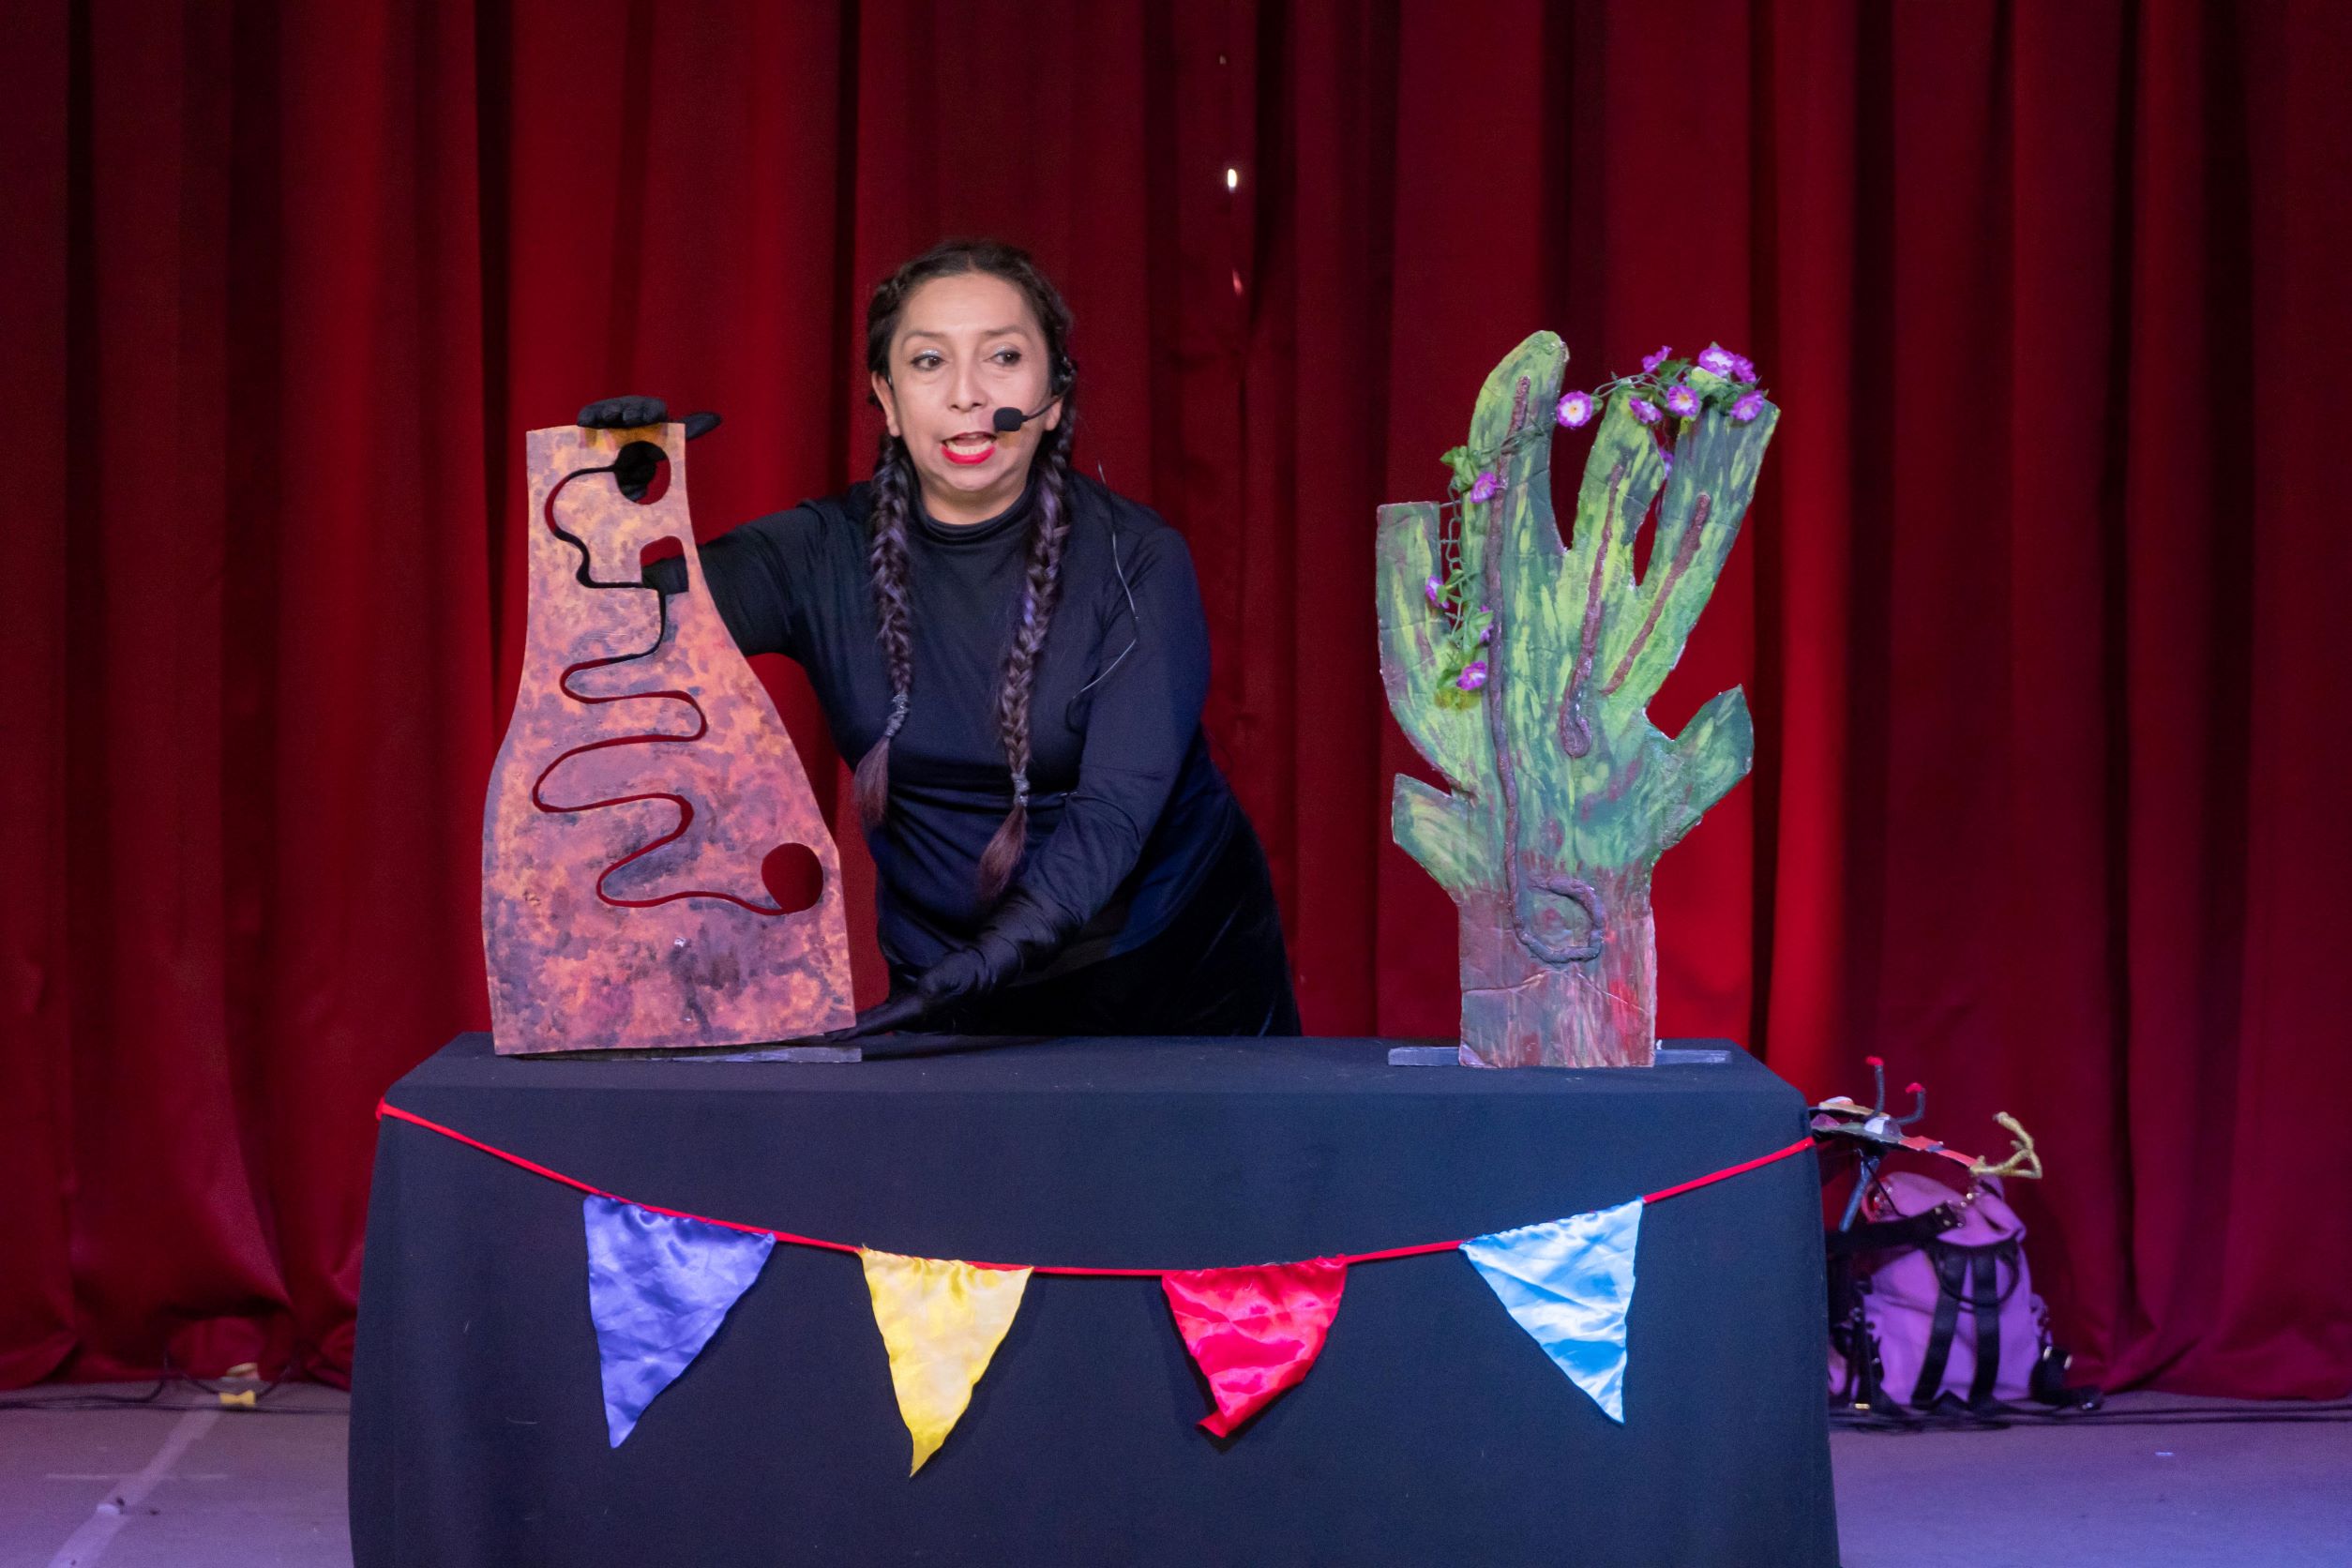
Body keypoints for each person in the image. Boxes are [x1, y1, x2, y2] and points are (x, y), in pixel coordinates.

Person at [592, 237, 1300, 1039]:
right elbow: (614, 628)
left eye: (1003, 357)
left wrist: (989, 963)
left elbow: (1113, 813)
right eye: (929, 362)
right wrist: (612, 509)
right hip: (945, 976)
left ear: (1053, 396)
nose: (967, 394)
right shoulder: (816, 555)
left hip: (1167, 973)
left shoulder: (1138, 561)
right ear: (889, 400)